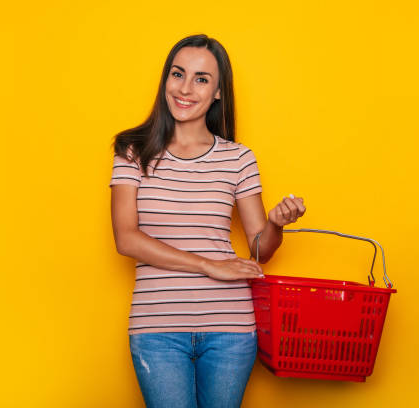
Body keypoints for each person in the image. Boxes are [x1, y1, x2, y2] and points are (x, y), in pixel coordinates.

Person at [109, 34, 306, 408]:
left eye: (201, 79)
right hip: (157, 329)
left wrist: (276, 225)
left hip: (230, 328)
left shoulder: (239, 158)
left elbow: (259, 251)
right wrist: (209, 266)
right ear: (165, 79)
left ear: (218, 92)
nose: (185, 88)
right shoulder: (132, 151)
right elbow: (126, 239)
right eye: (177, 74)